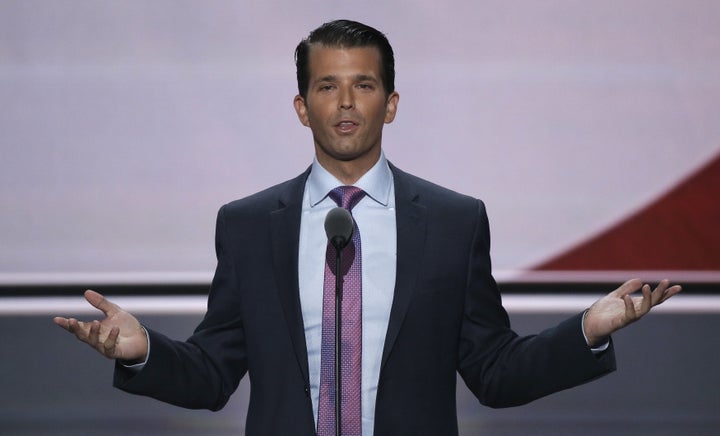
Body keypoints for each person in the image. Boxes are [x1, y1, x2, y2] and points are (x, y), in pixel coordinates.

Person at [53, 19, 681, 436]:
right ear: (302, 107)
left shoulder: (454, 222)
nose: (346, 102)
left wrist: (587, 333)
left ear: (392, 102)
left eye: (364, 85)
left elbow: (494, 372)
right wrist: (144, 354)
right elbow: (214, 375)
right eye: (327, 86)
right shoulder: (247, 226)